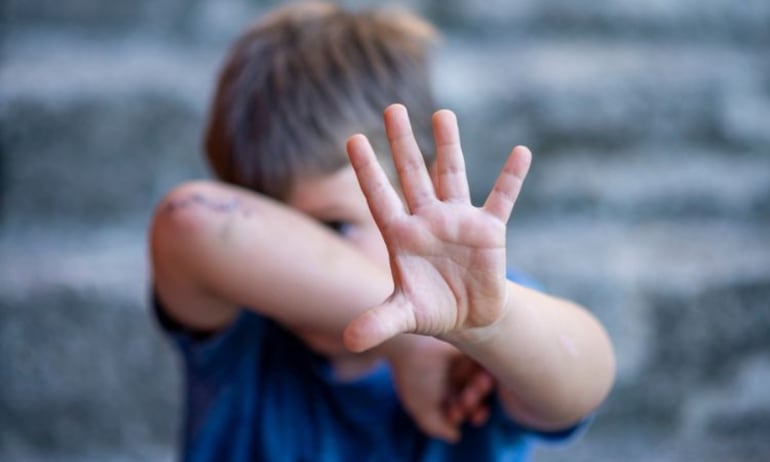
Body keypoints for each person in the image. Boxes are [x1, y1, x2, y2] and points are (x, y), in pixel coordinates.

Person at [149, 2, 616, 461]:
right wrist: (409, 342)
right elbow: (190, 220)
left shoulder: (476, 323)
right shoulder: (244, 336)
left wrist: (485, 327)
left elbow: (586, 377)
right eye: (276, 232)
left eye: (333, 226)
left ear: (422, 191)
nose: (301, 255)